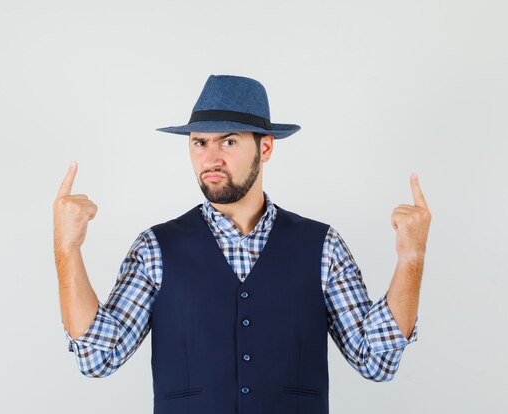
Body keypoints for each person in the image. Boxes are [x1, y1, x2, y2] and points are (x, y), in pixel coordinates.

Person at [53, 74, 431, 414]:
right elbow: (98, 357)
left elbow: (375, 360)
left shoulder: (323, 247)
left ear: (265, 149)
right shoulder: (155, 249)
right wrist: (67, 249)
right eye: (200, 142)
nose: (210, 158)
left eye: (228, 141)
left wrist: (410, 258)